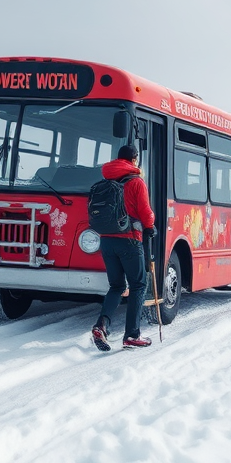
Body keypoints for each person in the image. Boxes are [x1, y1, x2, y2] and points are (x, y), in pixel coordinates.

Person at [92, 144, 157, 351]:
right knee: (138, 285)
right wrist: (150, 227)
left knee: (117, 286)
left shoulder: (106, 179)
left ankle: (101, 326)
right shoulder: (136, 181)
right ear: (134, 160)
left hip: (106, 240)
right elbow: (145, 210)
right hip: (129, 239)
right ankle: (131, 335)